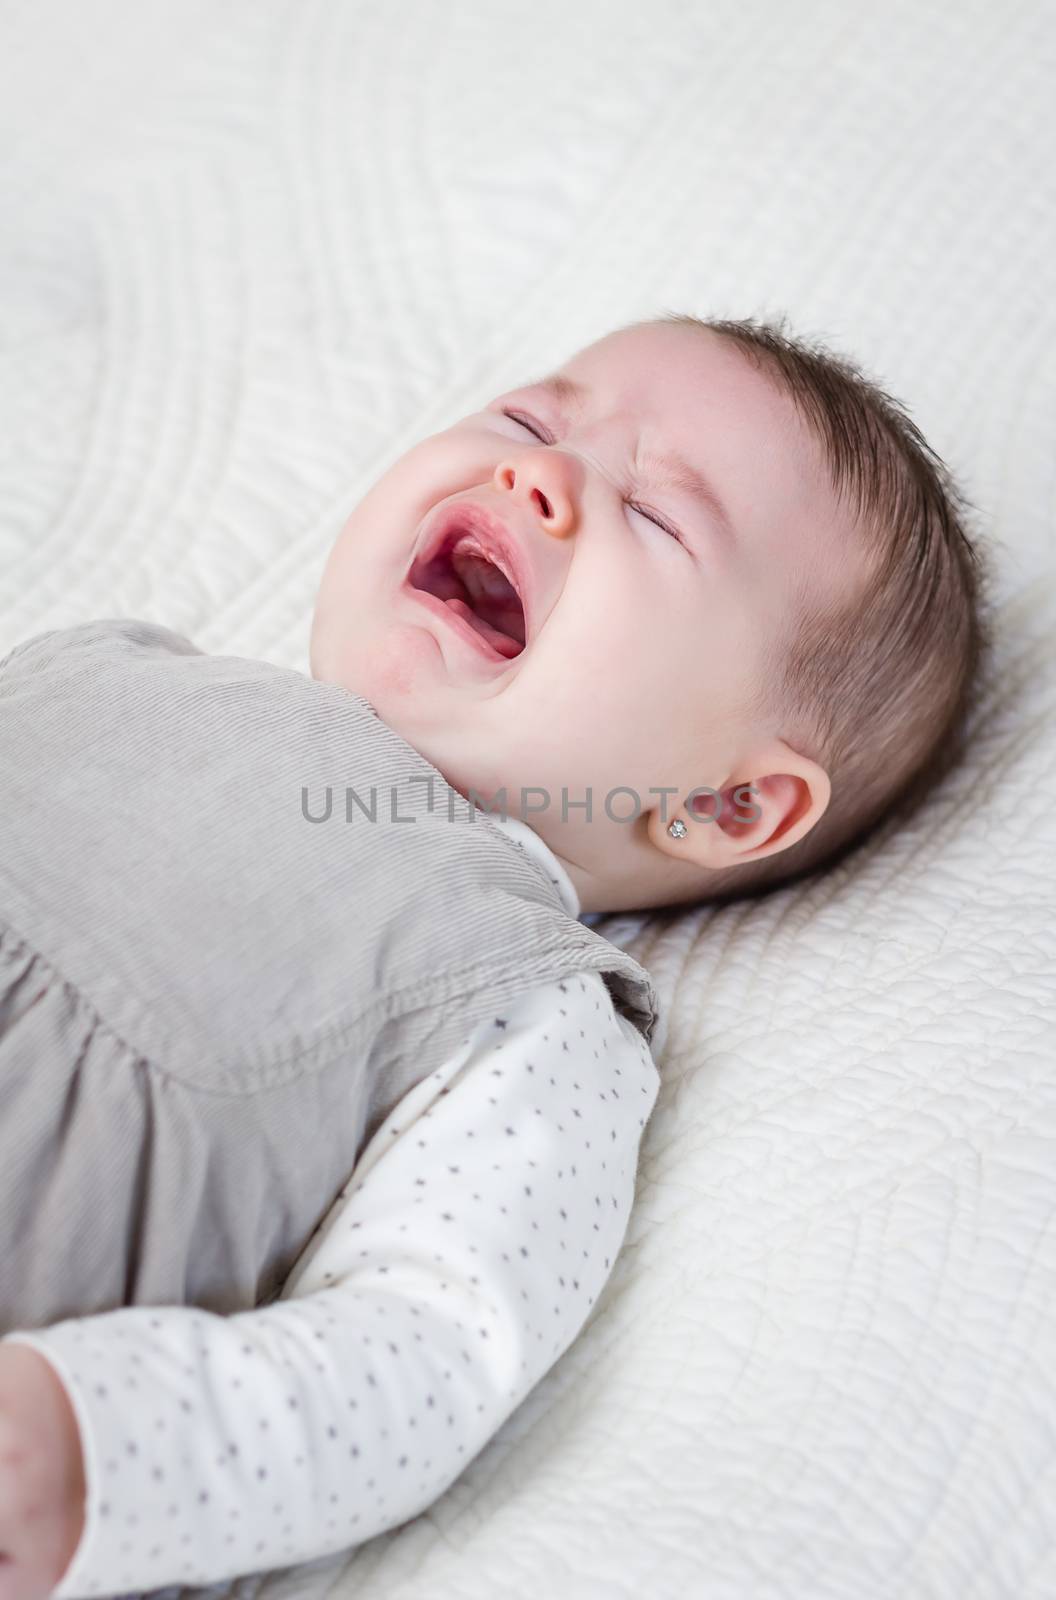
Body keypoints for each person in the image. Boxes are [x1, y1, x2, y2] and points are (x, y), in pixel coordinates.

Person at [0, 313, 991, 1597]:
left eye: (657, 516)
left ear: (724, 806)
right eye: (530, 420)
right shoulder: (111, 664)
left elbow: (423, 1346)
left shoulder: (531, 1007)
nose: (541, 474)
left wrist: (100, 1454)